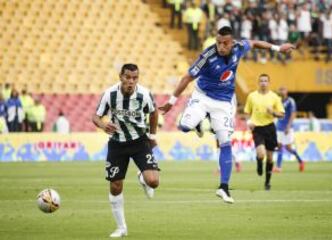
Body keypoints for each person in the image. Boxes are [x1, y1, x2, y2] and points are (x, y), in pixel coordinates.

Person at [159, 25, 295, 203]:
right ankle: (201, 122)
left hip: (224, 102)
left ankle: (224, 187)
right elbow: (186, 78)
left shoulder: (239, 47)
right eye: (218, 43)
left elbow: (254, 43)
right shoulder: (207, 56)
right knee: (184, 127)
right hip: (203, 96)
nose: (221, 46)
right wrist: (171, 102)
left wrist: (277, 48)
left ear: (232, 42)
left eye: (225, 43)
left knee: (225, 143)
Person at [92, 63, 160, 238]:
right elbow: (96, 116)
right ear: (120, 77)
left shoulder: (144, 94)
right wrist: (103, 125)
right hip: (117, 143)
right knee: (115, 185)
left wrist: (152, 137)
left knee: (153, 182)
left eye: (135, 78)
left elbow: (153, 113)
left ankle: (142, 178)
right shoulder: (110, 94)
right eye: (127, 77)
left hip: (139, 141)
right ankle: (121, 228)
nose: (131, 81)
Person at [244, 74, 285, 191]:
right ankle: (259, 162)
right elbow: (247, 112)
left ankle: (267, 182)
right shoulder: (252, 96)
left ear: (269, 83)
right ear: (258, 82)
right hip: (257, 128)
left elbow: (282, 114)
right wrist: (249, 121)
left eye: (265, 81)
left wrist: (273, 112)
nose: (263, 83)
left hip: (270, 128)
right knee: (261, 154)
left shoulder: (274, 97)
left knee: (271, 158)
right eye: (261, 81)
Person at [273, 87, 304, 173]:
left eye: (283, 89)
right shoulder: (278, 101)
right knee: (281, 146)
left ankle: (300, 161)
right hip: (279, 127)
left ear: (287, 91)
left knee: (287, 147)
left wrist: (288, 126)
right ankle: (279, 167)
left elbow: (293, 114)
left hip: (287, 128)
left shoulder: (290, 101)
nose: (281, 91)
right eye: (280, 89)